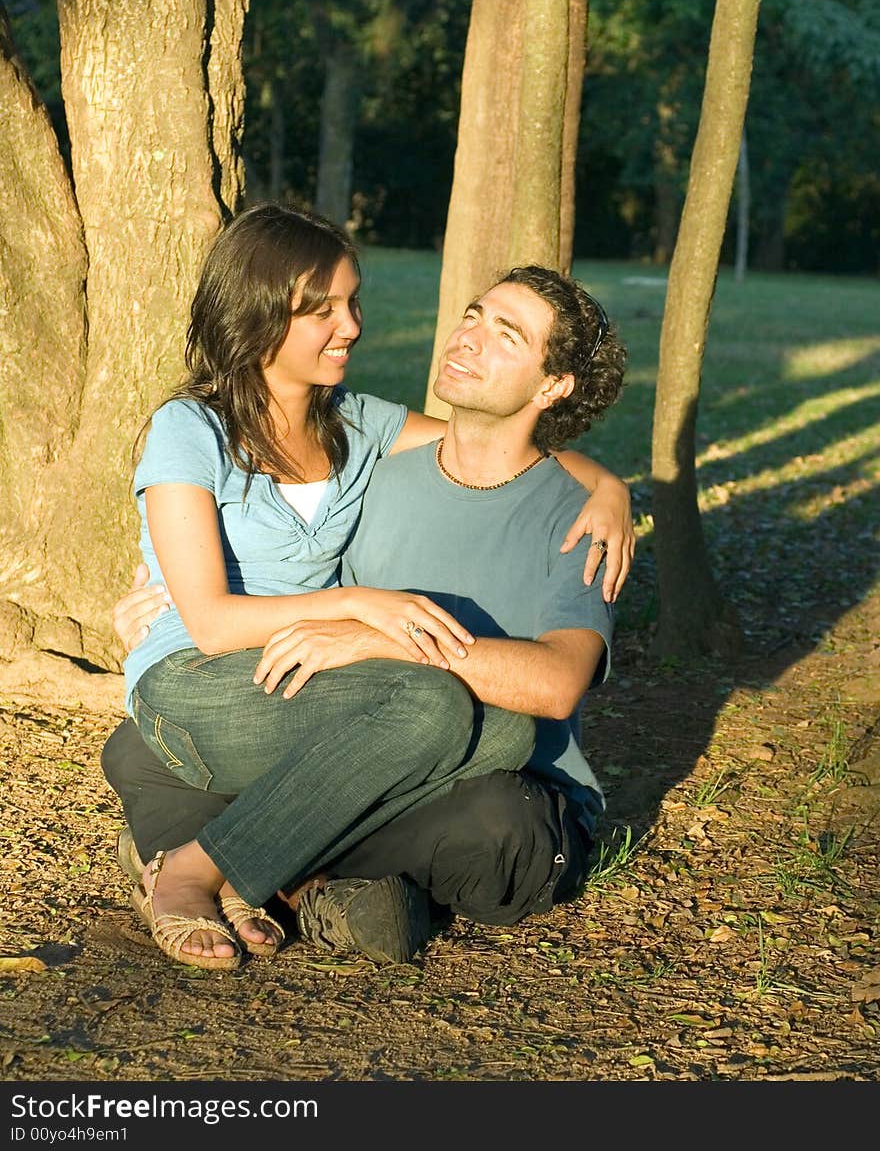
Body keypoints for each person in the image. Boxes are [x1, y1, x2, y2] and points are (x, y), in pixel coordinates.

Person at [106, 202, 632, 972]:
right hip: (201, 674)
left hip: (295, 689)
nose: (349, 324)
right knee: (432, 707)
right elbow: (213, 622)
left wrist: (611, 486)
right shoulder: (192, 428)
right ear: (257, 313)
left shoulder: (356, 426)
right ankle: (206, 870)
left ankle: (223, 855)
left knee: (507, 733)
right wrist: (359, 607)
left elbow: (490, 447)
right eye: (321, 309)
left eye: (352, 302)